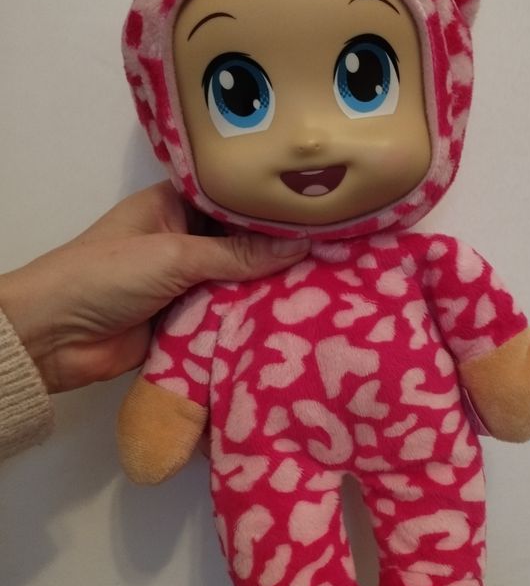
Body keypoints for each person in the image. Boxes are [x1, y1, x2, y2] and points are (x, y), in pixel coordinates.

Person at [0, 180, 310, 462]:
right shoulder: (208, 290)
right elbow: (179, 363)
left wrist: (38, 337)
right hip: (264, 460)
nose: (308, 144)